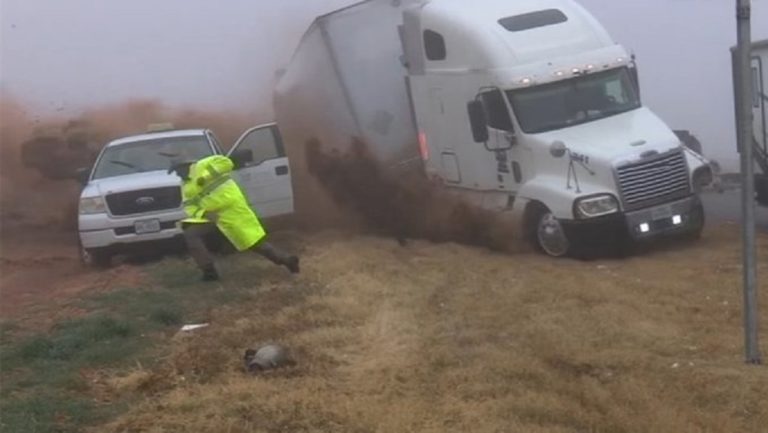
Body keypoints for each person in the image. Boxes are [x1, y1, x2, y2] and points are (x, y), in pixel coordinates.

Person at [169, 155, 299, 281]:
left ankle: (286, 260)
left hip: (232, 211)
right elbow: (188, 205)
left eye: (177, 170)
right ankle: (209, 271)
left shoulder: (205, 164)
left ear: (186, 166)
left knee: (252, 242)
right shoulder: (185, 184)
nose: (177, 174)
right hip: (210, 216)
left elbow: (227, 163)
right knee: (191, 235)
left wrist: (206, 177)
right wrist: (203, 213)